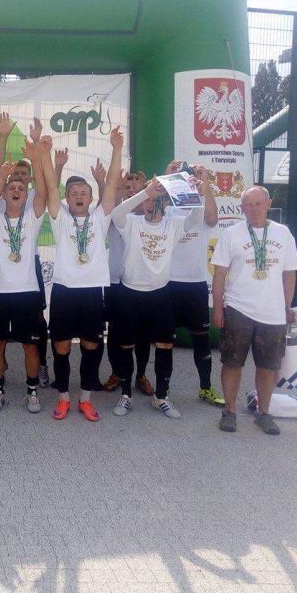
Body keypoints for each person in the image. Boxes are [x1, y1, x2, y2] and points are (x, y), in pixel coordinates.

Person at [44, 127, 123, 422]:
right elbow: (50, 187)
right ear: (67, 198)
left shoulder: (100, 218)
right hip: (64, 291)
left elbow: (111, 186)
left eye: (83, 193)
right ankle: (64, 398)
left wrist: (117, 148)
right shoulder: (60, 218)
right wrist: (49, 158)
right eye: (74, 193)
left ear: (91, 198)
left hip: (92, 292)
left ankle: (86, 399)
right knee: (62, 348)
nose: (79, 196)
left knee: (91, 347)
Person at [109, 174, 204, 418]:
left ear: (166, 202)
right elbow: (117, 213)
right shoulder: (132, 223)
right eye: (148, 200)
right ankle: (126, 395)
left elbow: (196, 218)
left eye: (156, 199)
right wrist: (146, 192)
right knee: (125, 345)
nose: (150, 204)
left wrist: (196, 193)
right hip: (129, 293)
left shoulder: (173, 225)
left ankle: (161, 397)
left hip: (160, 295)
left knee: (165, 345)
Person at [211, 185, 297, 434]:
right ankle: (229, 411)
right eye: (248, 205)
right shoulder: (231, 234)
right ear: (242, 208)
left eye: (258, 203)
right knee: (232, 363)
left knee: (269, 366)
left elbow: (289, 274)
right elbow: (219, 274)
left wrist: (286, 306)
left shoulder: (283, 233)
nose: (253, 209)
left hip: (273, 313)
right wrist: (218, 308)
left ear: (268, 204)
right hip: (238, 309)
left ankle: (264, 413)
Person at [0, 148, 47, 412]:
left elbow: (42, 194)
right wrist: (3, 177)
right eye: (12, 188)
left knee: (30, 346)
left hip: (27, 293)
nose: (17, 190)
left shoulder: (32, 219)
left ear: (26, 194)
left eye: (21, 187)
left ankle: (32, 391)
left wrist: (37, 161)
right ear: (4, 194)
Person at [165, 162, 225, 406]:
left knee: (201, 338)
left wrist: (205, 182)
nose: (187, 182)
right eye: (182, 179)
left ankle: (206, 387)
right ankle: (162, 391)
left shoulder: (200, 205)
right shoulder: (168, 208)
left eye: (190, 179)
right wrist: (168, 177)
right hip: (168, 283)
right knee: (165, 342)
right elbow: (153, 204)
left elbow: (212, 218)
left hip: (195, 283)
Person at [103, 170, 154, 395]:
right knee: (115, 331)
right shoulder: (115, 214)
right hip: (116, 282)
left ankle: (140, 375)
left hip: (143, 283)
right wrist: (110, 185)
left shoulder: (153, 215)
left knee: (142, 333)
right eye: (127, 187)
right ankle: (117, 372)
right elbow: (108, 202)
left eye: (137, 188)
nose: (131, 190)